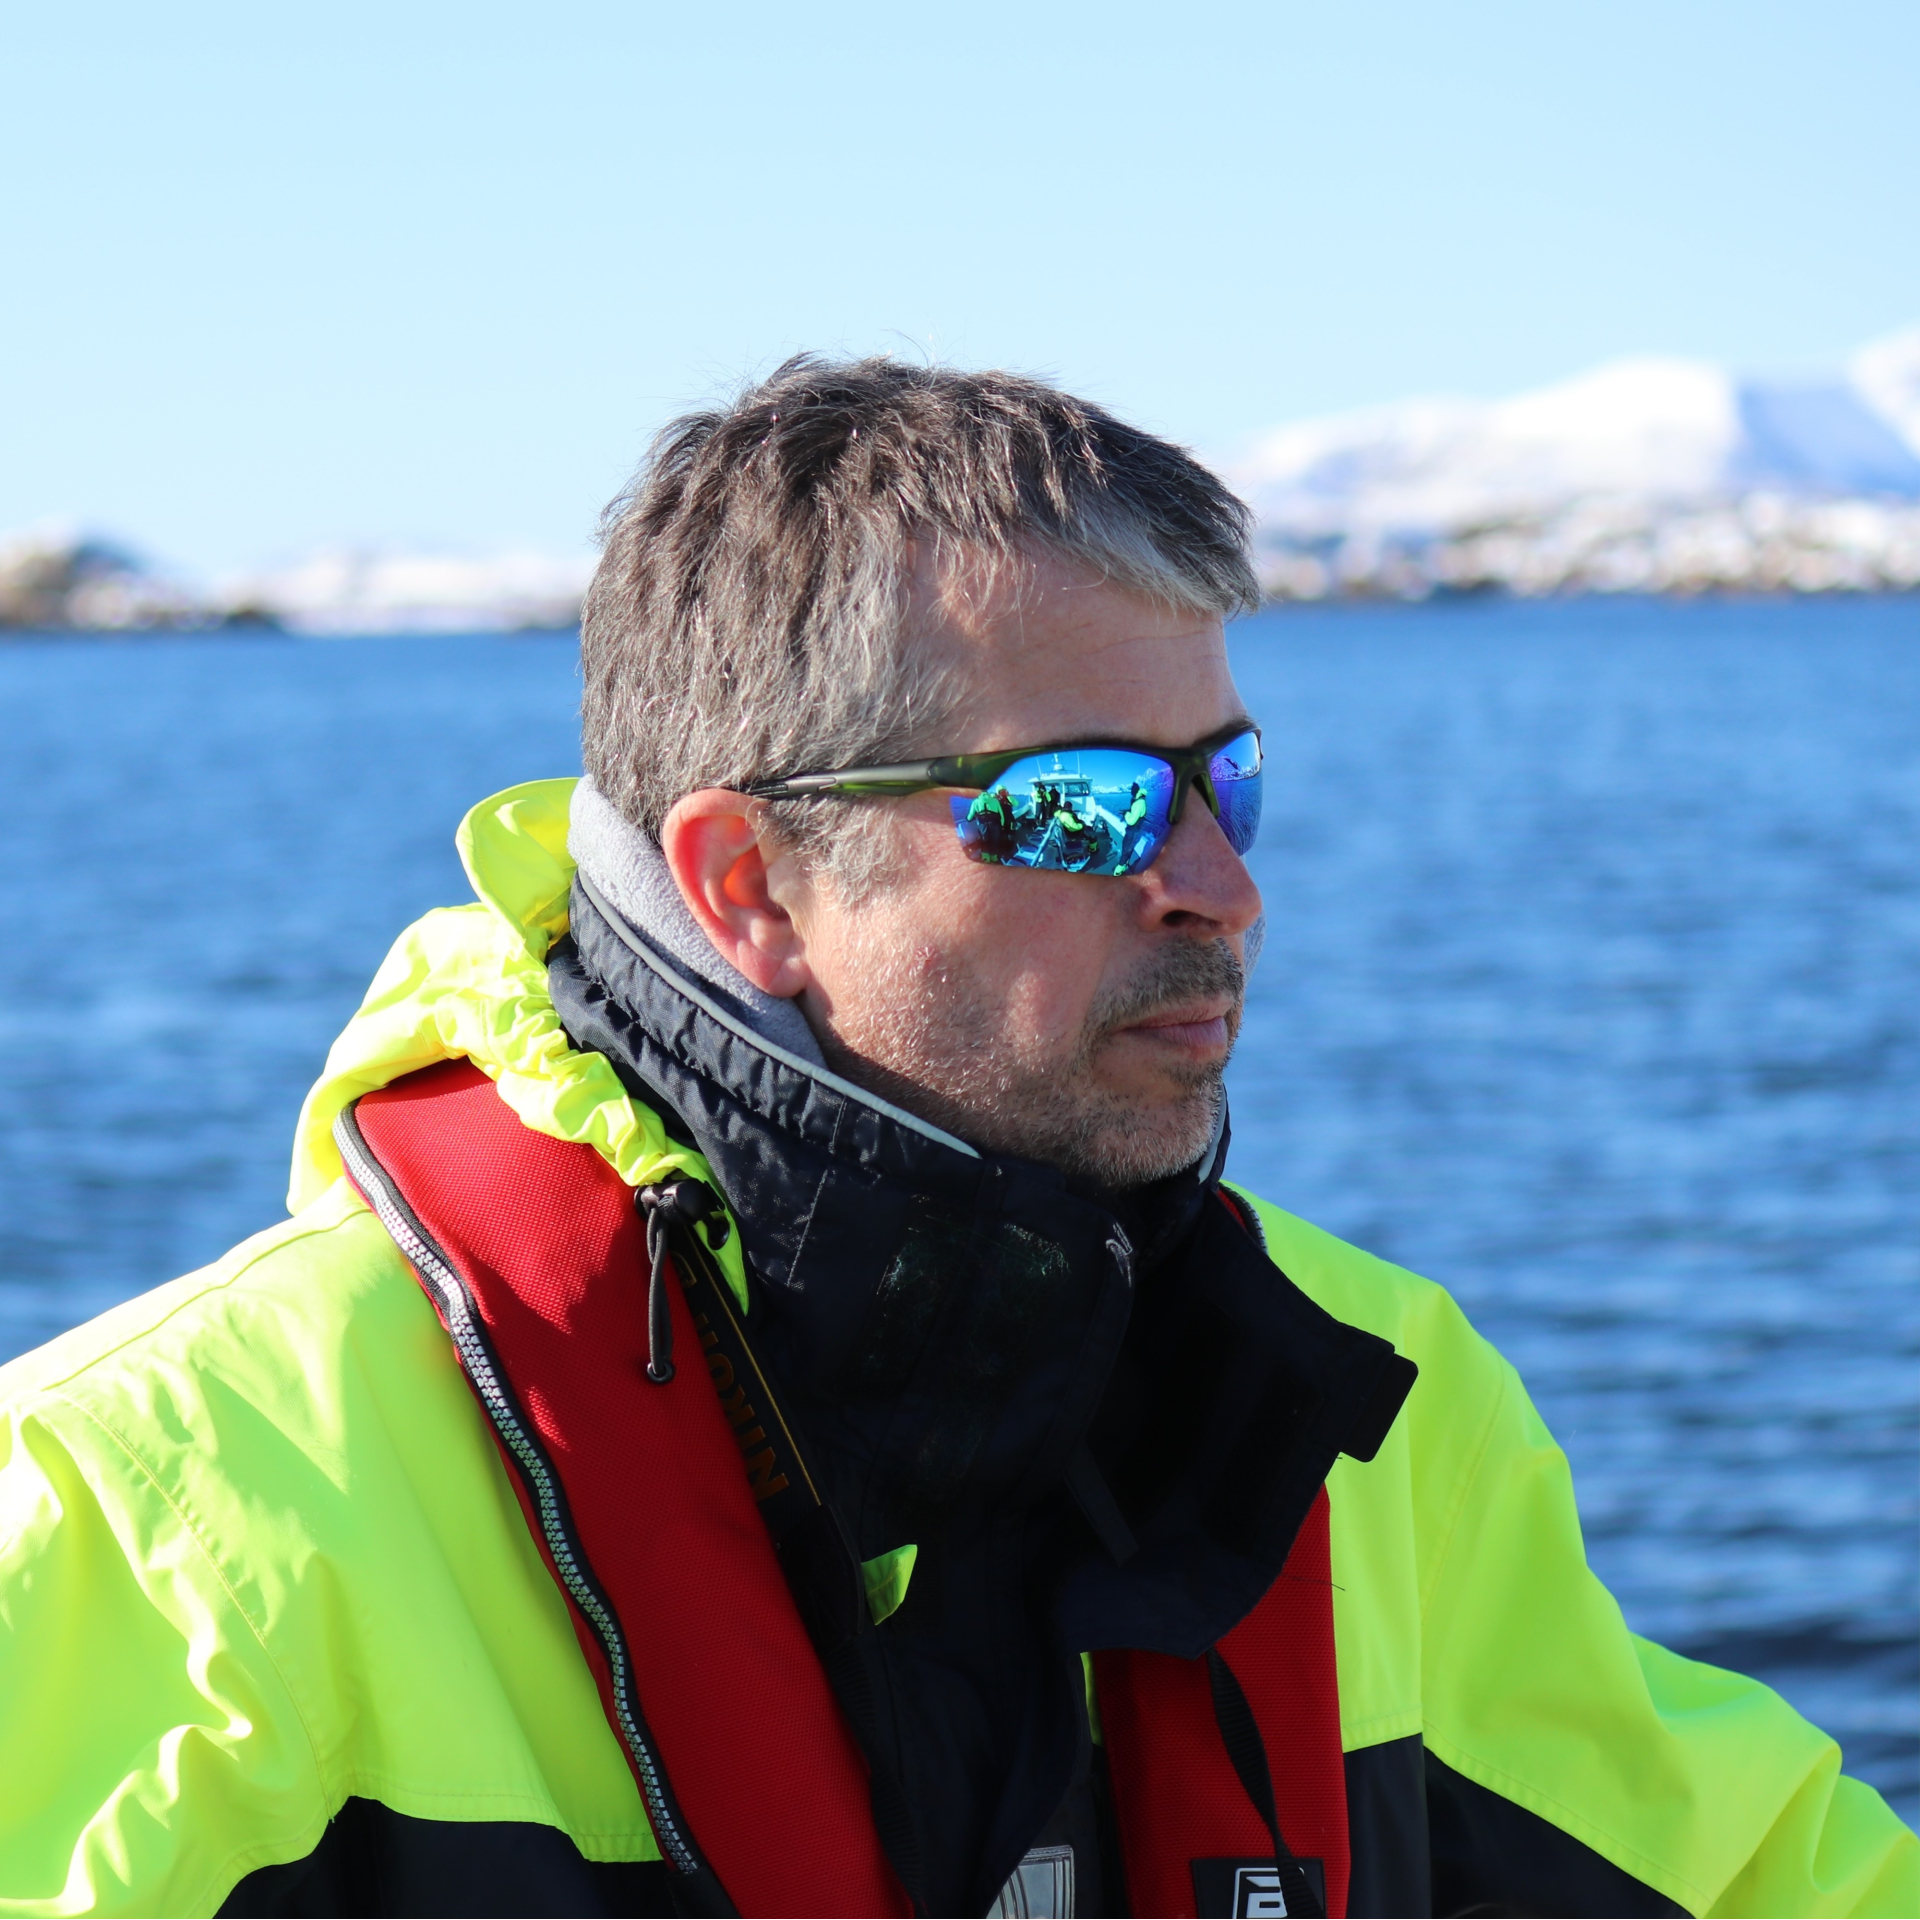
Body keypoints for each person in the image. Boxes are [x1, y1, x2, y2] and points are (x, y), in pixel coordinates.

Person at [0, 357, 1912, 1920]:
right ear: (748, 882)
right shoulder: (161, 1516)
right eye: (1080, 809)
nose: (1221, 887)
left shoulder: (1376, 1422)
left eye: (1224, 780)